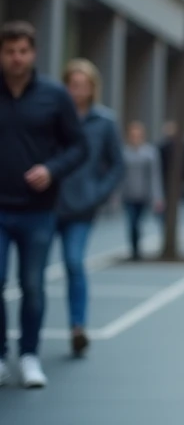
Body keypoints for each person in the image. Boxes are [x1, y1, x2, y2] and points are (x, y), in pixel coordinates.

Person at [0, 21, 86, 388]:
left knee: (32, 285)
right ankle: (1, 354)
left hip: (38, 210)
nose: (16, 58)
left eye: (22, 51)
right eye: (9, 52)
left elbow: (79, 146)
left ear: (33, 53)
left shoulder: (54, 94)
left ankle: (30, 354)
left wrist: (52, 170)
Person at [55, 59, 126, 359]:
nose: (77, 90)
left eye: (83, 85)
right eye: (73, 84)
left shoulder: (104, 122)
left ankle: (77, 327)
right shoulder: (53, 117)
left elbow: (116, 165)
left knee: (73, 262)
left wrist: (97, 194)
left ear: (93, 88)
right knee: (30, 276)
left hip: (82, 207)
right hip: (47, 203)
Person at [122, 121, 163, 260]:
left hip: (144, 194)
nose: (135, 137)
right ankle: (134, 250)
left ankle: (138, 247)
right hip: (128, 194)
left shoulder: (150, 152)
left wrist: (157, 196)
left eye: (137, 135)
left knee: (139, 222)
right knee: (132, 223)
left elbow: (154, 175)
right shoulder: (124, 152)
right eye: (132, 135)